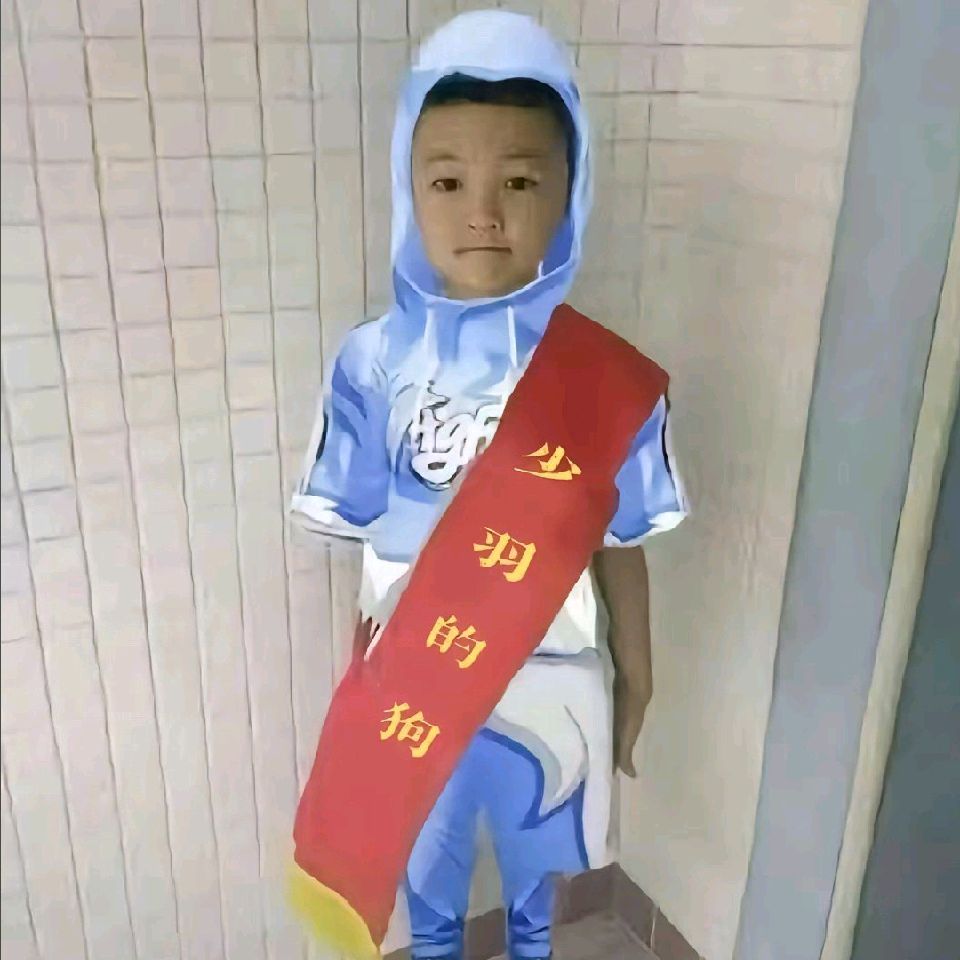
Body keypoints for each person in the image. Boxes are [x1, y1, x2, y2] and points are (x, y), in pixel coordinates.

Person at [291, 11, 687, 960]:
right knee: (424, 876)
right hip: (416, 681)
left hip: (553, 682)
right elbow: (367, 545)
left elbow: (619, 547)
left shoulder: (607, 380)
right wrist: (364, 683)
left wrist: (637, 671)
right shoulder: (370, 363)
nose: (483, 212)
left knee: (536, 885)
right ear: (408, 189)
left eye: (518, 180)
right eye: (448, 181)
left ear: (569, 193)